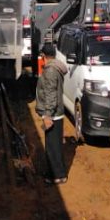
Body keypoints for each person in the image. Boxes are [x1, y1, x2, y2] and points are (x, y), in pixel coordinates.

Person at [35, 43, 69, 184]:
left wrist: (47, 115)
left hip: (53, 114)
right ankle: (59, 173)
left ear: (44, 55)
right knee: (55, 146)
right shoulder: (57, 67)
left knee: (52, 148)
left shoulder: (50, 71)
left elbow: (50, 94)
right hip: (57, 113)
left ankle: (56, 176)